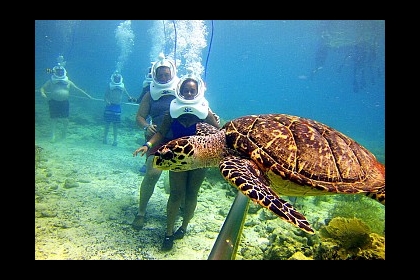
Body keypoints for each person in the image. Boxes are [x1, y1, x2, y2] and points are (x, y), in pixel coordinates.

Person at [133, 74, 220, 251]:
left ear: (198, 91)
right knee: (176, 194)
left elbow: (219, 132)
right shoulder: (171, 111)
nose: (188, 93)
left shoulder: (205, 111)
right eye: (185, 90)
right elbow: (161, 134)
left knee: (191, 193)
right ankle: (168, 232)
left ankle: (184, 227)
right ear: (179, 91)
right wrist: (147, 145)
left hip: (200, 159)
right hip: (178, 158)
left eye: (192, 90)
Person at [131, 55, 179, 230]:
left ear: (172, 73)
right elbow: (139, 117)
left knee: (177, 179)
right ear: (154, 74)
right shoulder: (150, 93)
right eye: (160, 75)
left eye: (167, 74)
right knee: (152, 174)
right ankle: (141, 212)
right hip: (156, 138)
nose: (164, 78)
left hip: (180, 139)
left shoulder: (181, 88)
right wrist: (146, 126)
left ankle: (175, 211)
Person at [40, 62, 93, 142]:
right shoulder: (50, 81)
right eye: (58, 72)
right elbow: (42, 88)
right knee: (53, 119)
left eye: (61, 72)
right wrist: (42, 93)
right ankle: (53, 135)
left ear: (64, 72)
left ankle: (64, 133)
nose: (60, 73)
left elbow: (77, 89)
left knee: (65, 119)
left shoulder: (68, 82)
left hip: (64, 102)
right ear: (55, 72)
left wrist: (88, 96)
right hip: (53, 102)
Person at [103, 71, 133, 146]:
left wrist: (130, 98)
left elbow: (127, 94)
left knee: (115, 125)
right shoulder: (109, 86)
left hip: (117, 107)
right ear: (113, 78)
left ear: (120, 79)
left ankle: (115, 140)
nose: (117, 79)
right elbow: (105, 96)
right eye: (115, 78)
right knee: (107, 123)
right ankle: (105, 138)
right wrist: (107, 101)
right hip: (109, 107)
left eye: (118, 78)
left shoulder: (122, 86)